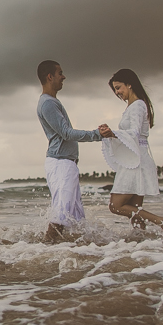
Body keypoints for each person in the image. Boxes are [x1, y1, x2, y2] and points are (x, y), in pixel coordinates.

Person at [36, 60, 106, 242]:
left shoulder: (52, 102)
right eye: (60, 73)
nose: (63, 76)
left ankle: (65, 254)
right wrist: (96, 134)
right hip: (60, 163)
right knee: (61, 215)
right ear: (50, 76)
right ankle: (41, 252)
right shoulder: (48, 104)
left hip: (65, 163)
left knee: (73, 218)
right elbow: (66, 133)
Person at [98, 69, 163, 231]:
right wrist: (111, 134)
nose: (117, 92)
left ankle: (161, 221)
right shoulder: (134, 106)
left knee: (116, 206)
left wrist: (113, 133)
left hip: (135, 162)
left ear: (130, 84)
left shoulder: (137, 105)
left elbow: (135, 132)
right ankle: (140, 243)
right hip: (137, 158)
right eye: (115, 89)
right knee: (134, 210)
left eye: (119, 87)